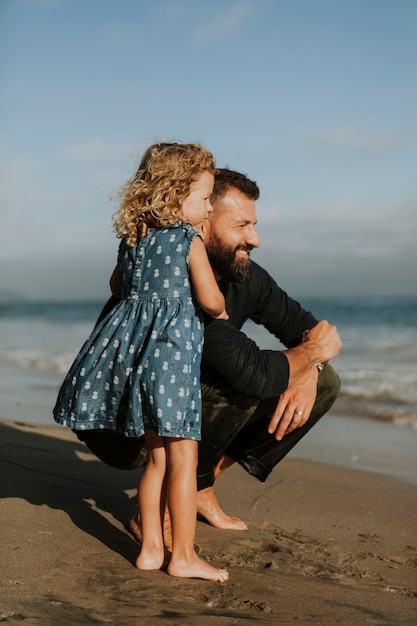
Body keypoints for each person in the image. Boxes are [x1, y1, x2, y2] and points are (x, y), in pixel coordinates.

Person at [78, 167, 342, 538]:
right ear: (201, 224)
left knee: (326, 381)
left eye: (254, 224)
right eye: (241, 226)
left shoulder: (246, 274)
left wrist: (311, 366)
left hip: (173, 413)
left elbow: (309, 329)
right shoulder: (175, 286)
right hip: (123, 427)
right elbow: (253, 373)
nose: (256, 239)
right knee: (247, 381)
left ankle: (198, 488)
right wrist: (311, 354)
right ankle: (160, 509)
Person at [53, 142, 229, 582]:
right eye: (205, 197)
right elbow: (210, 301)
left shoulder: (133, 239)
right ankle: (183, 555)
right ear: (175, 193)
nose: (209, 208)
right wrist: (221, 308)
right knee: (185, 461)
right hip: (173, 361)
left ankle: (152, 548)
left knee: (157, 462)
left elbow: (117, 285)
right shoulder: (187, 240)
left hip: (141, 362)